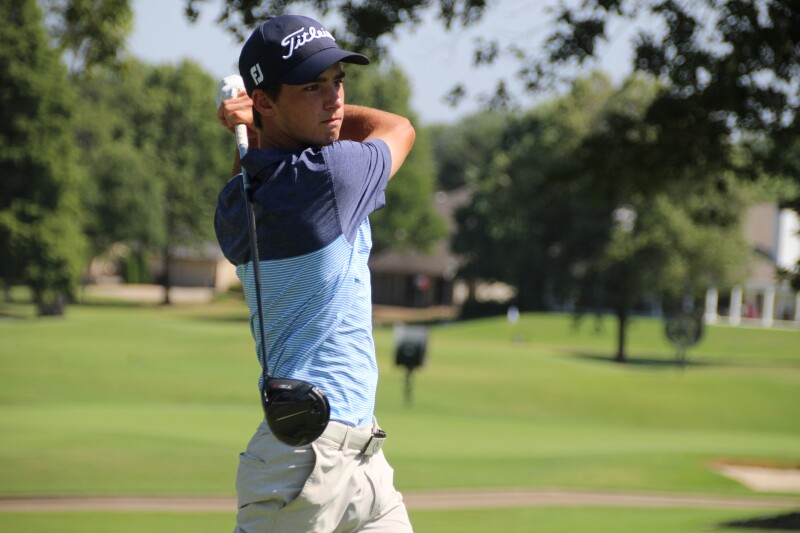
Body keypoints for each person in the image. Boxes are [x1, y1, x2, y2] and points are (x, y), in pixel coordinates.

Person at [214, 14, 416, 533]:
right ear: (263, 101)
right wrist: (256, 123)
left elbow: (252, 173)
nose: (335, 100)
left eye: (337, 82)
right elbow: (398, 129)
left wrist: (256, 126)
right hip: (304, 471)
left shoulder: (233, 206)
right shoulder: (331, 177)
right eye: (312, 87)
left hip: (365, 462)